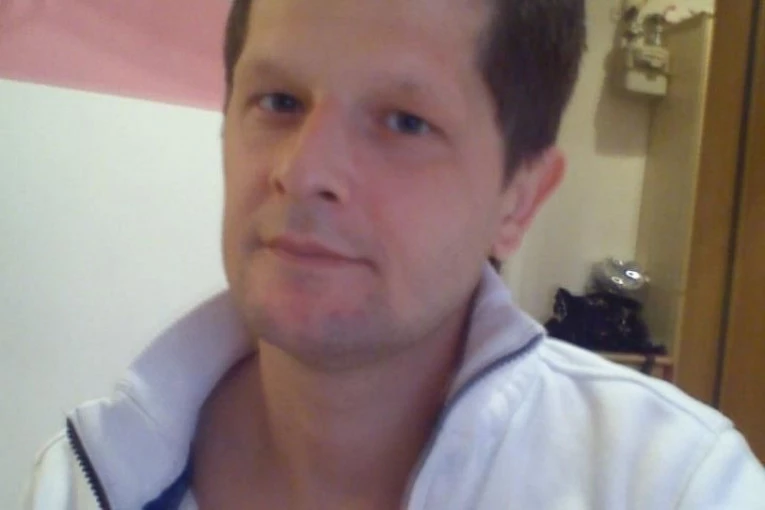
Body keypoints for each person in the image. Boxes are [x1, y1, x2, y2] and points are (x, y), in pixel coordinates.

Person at [25, 0, 765, 508]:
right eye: (278, 101)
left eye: (405, 122)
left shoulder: (670, 485)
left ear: (519, 200)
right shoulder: (83, 481)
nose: (303, 171)